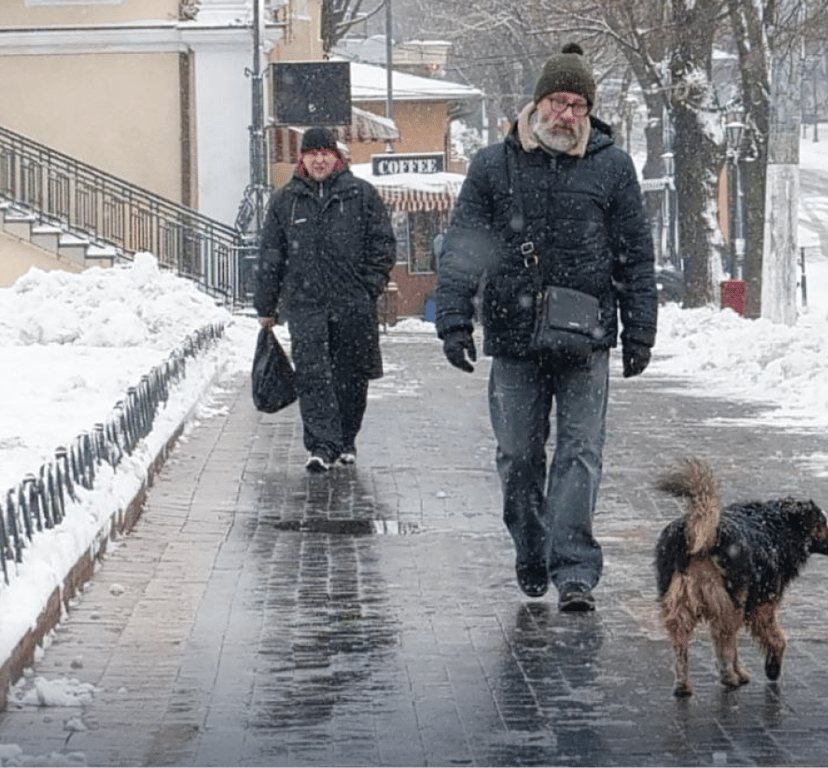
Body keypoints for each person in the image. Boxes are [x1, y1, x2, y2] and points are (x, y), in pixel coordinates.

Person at [433, 43, 658, 612]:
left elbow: (635, 255)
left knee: (581, 452)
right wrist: (455, 321)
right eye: (559, 100)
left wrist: (640, 330)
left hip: (586, 337)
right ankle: (531, 546)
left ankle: (575, 568)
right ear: (537, 104)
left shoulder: (612, 166)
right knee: (517, 455)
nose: (567, 114)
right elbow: (463, 249)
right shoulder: (493, 165)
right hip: (513, 334)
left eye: (579, 105)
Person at [254, 127, 396, 473]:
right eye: (311, 153)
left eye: (325, 153)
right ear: (301, 157)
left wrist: (368, 287)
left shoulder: (360, 195)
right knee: (313, 377)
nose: (318, 160)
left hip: (352, 306)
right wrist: (266, 304)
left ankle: (346, 439)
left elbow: (383, 245)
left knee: (351, 377)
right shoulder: (286, 200)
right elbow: (271, 255)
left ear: (336, 157)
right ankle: (320, 445)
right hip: (306, 306)